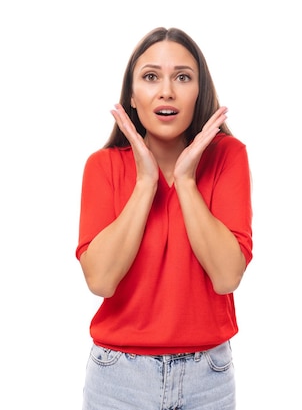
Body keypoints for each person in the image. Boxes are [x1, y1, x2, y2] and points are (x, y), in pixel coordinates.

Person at [75, 26, 253, 410]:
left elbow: (226, 277)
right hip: (117, 379)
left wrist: (186, 181)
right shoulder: (103, 166)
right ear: (132, 99)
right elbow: (101, 280)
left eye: (183, 77)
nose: (166, 91)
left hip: (208, 378)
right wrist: (145, 184)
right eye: (151, 76)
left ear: (199, 94)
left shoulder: (228, 157)